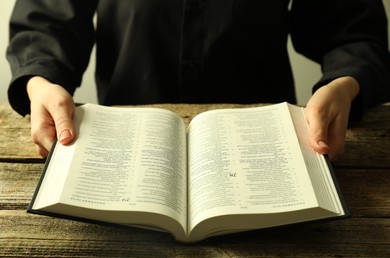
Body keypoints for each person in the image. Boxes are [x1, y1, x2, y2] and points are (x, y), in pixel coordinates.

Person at [7, 0, 390, 159]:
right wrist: (40, 80)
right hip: (123, 144)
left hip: (267, 145)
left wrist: (345, 82)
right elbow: (48, 16)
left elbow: (350, 29)